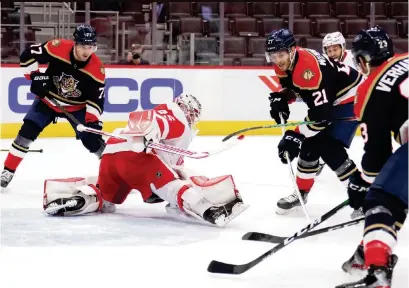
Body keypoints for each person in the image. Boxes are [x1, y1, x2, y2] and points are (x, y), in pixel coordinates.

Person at [42, 94, 247, 227]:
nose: (193, 120)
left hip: (112, 156)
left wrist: (145, 138)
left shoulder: (170, 124)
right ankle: (209, 210)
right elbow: (151, 119)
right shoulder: (175, 114)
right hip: (137, 156)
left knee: (107, 200)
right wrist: (145, 136)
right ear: (189, 111)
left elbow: (173, 162)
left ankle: (79, 199)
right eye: (194, 115)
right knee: (175, 188)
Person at [336, 27, 408, 288]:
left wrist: (362, 181)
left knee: (382, 199)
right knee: (397, 192)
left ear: (363, 60)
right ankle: (367, 250)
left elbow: (377, 156)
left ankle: (377, 270)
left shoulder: (369, 88)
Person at [265, 28, 364, 214]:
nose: (277, 60)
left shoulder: (308, 68)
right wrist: (282, 97)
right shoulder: (284, 64)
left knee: (328, 145)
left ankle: (362, 194)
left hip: (353, 97)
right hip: (333, 99)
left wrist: (295, 134)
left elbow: (321, 116)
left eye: (281, 54)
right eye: (273, 55)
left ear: (292, 50)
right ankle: (301, 192)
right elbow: (294, 88)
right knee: (312, 143)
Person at [1, 24, 106, 188]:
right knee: (27, 132)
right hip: (48, 100)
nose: (87, 51)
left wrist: (93, 122)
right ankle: (8, 170)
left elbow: (96, 101)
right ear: (75, 44)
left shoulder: (97, 69)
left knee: (93, 141)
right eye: (84, 46)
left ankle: (116, 173)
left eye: (91, 46)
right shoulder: (56, 47)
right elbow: (27, 55)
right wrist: (35, 76)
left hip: (76, 108)